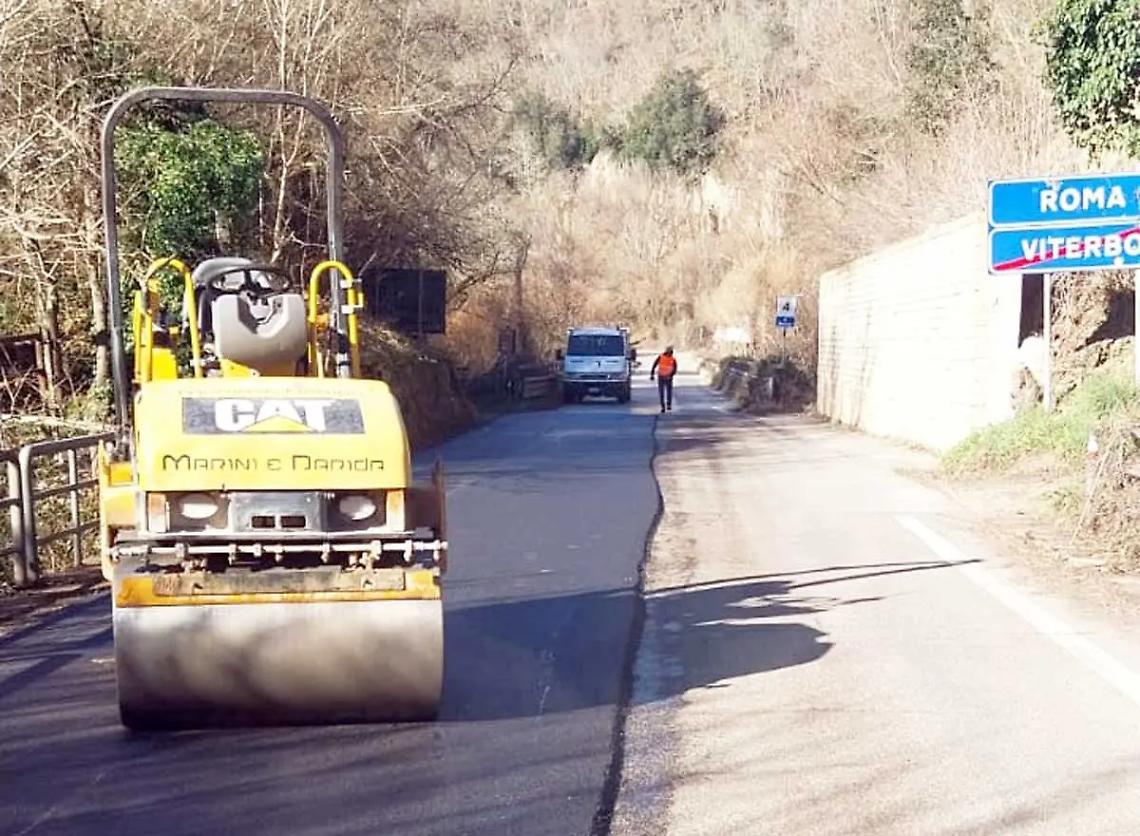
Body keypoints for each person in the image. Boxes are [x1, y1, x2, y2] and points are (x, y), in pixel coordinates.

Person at [650, 346, 677, 413]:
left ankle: (668, 404)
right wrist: (652, 373)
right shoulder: (661, 357)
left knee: (668, 392)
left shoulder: (673, 359)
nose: (671, 353)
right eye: (670, 352)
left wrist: (671, 375)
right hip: (661, 377)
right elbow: (654, 364)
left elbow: (674, 369)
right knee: (662, 392)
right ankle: (663, 406)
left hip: (668, 377)